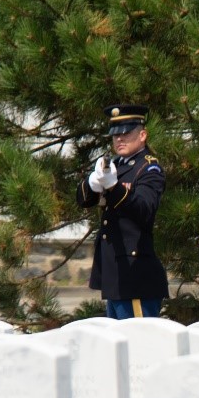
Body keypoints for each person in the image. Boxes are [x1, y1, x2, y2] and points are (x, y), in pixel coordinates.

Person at [77, 103, 169, 318]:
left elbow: (144, 209)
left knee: (138, 344)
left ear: (143, 135)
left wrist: (113, 187)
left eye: (126, 133)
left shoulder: (149, 168)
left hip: (136, 274)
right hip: (116, 273)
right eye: (115, 134)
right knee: (119, 348)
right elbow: (83, 201)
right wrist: (91, 184)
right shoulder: (117, 165)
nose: (119, 139)